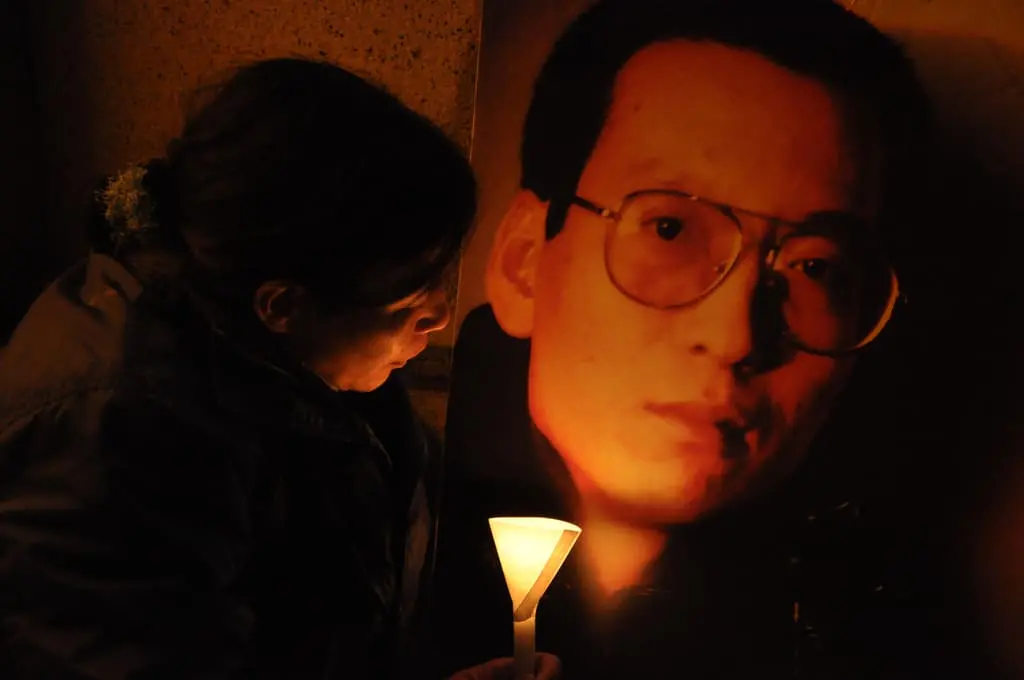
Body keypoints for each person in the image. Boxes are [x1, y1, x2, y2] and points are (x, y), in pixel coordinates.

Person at [0, 58, 558, 680]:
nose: (440, 314)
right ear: (284, 304)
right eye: (409, 295)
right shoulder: (110, 436)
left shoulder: (298, 362)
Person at [433, 1, 935, 678]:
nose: (734, 337)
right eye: (669, 229)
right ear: (525, 261)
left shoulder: (861, 619)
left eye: (816, 267)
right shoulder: (365, 532)